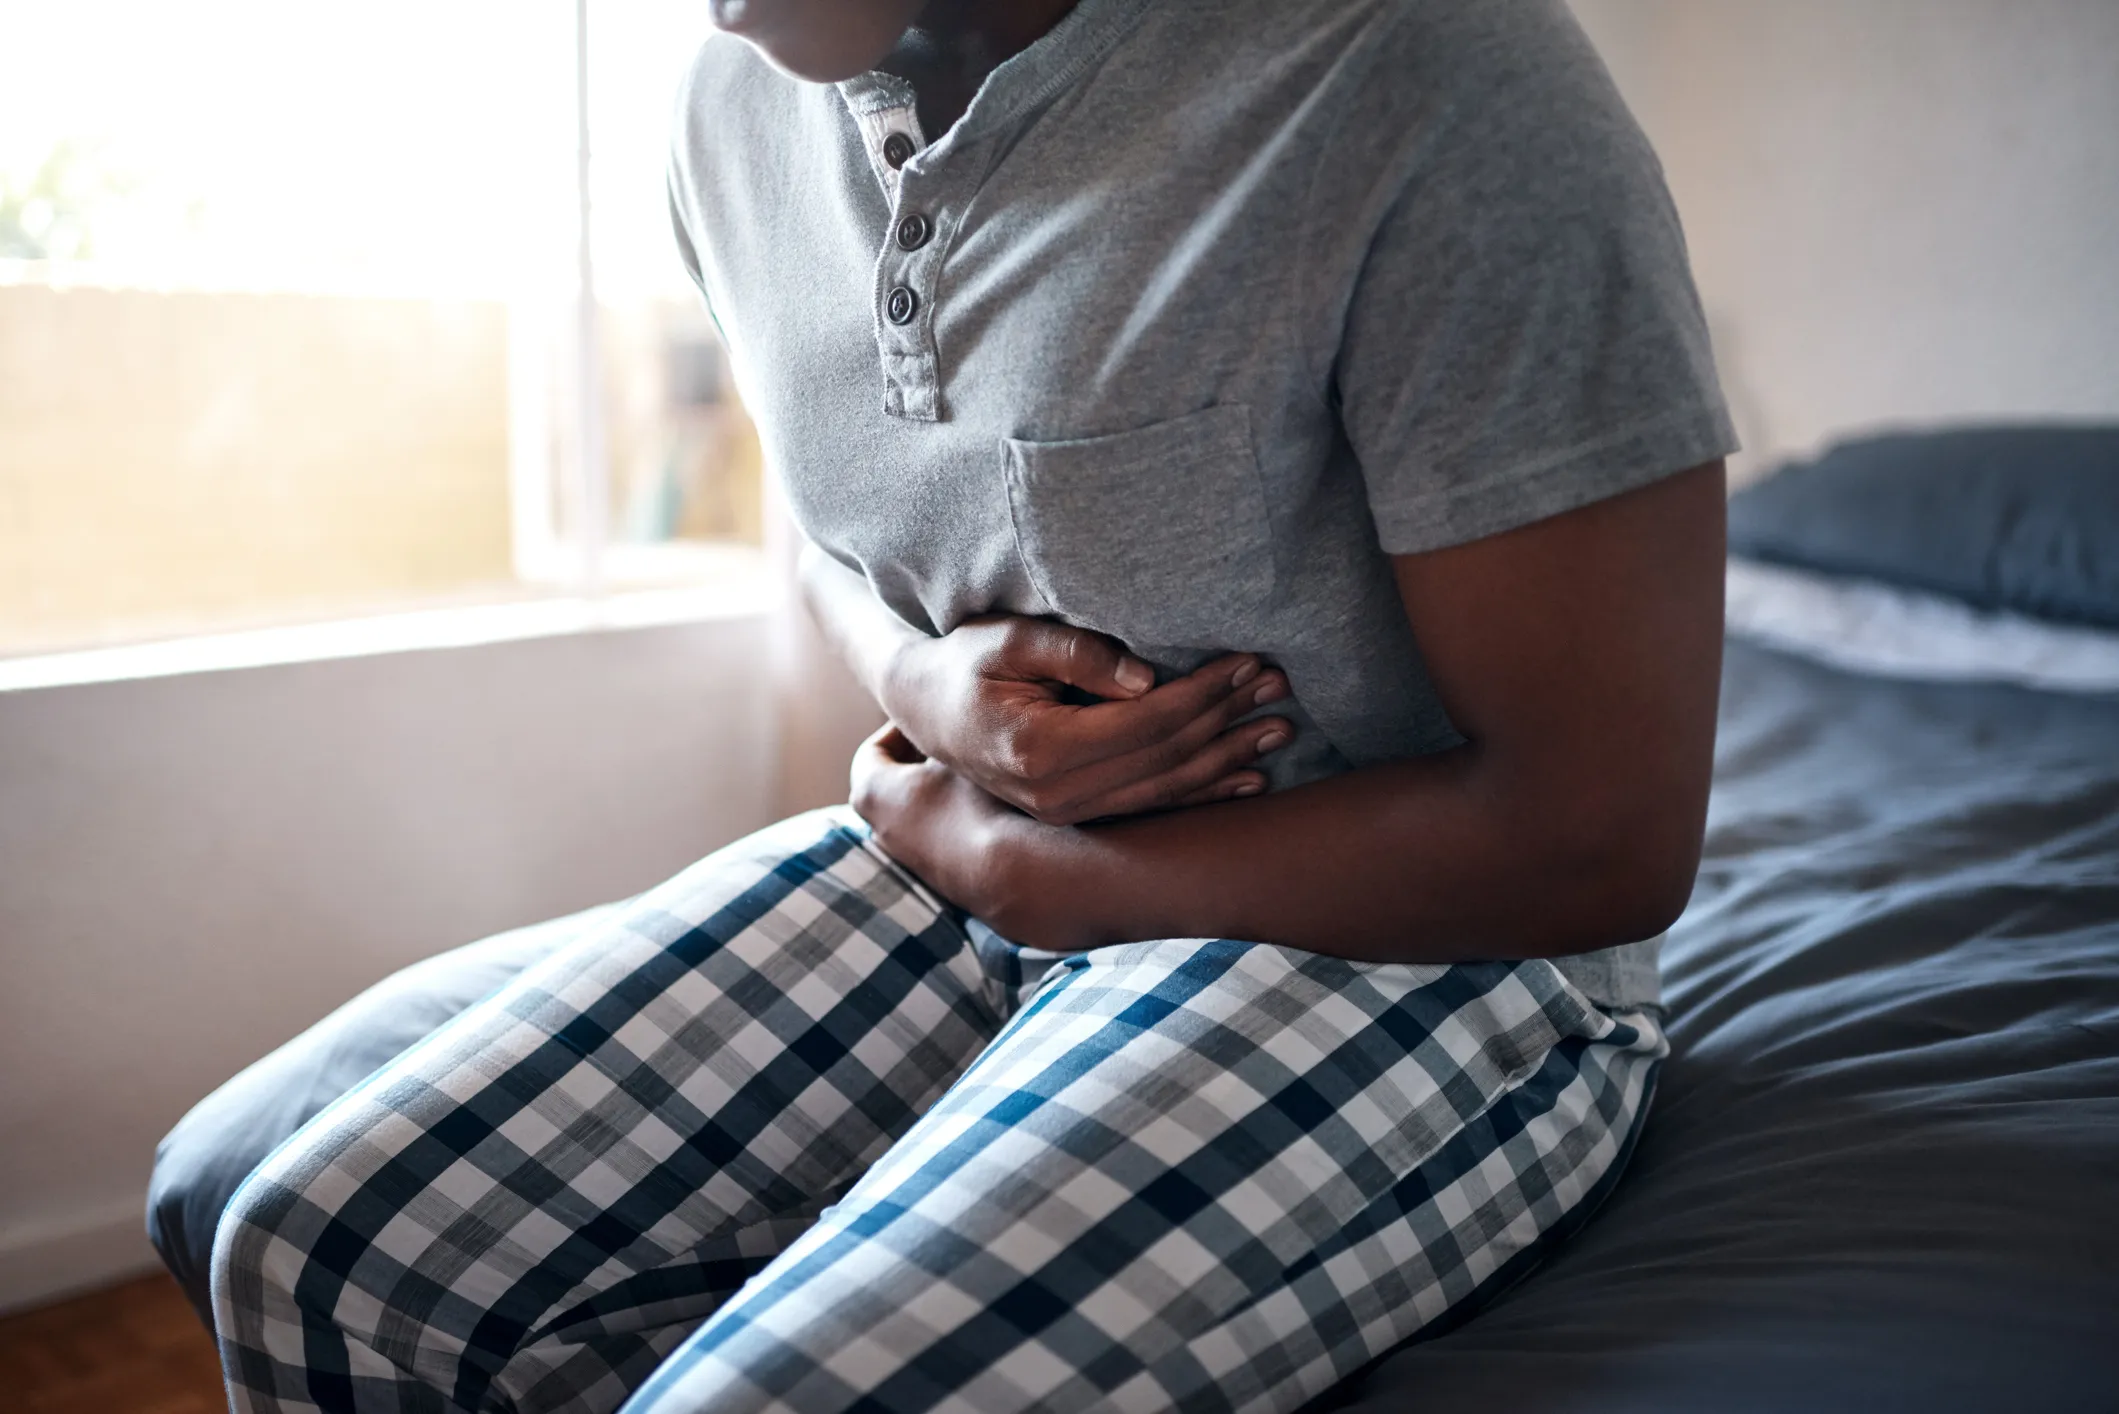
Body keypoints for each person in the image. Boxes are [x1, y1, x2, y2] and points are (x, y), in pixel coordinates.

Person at [158, 0, 1737, 1409]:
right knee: (318, 1256)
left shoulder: (1415, 74)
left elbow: (1597, 835)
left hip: (1418, 952)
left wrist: (1025, 872)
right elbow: (832, 524)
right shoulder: (729, 117)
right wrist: (918, 678)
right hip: (970, 865)